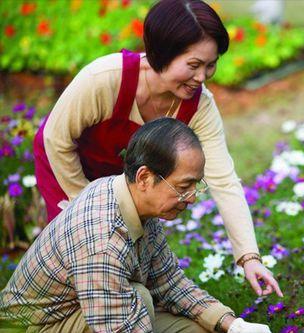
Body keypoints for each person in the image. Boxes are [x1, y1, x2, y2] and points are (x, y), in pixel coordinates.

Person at [33, 0, 283, 298]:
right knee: (83, 261)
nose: (202, 77)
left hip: (128, 184)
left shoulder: (199, 105)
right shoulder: (105, 79)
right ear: (161, 53)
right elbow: (56, 140)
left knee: (128, 265)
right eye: (193, 65)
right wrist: (88, 210)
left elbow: (224, 180)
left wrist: (249, 257)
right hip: (69, 171)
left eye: (211, 65)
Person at [1, 118, 272, 333]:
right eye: (184, 187)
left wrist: (231, 324)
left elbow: (168, 282)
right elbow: (117, 327)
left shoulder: (134, 199)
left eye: (196, 186)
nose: (191, 198)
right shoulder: (101, 238)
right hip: (39, 326)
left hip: (100, 309)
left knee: (197, 328)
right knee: (140, 297)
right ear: (144, 177)